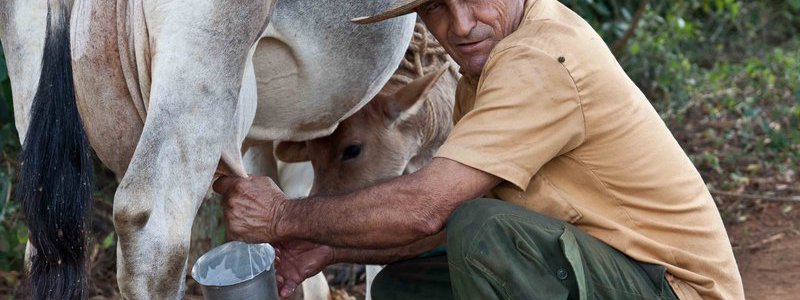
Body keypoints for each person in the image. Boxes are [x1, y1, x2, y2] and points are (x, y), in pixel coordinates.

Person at [213, 0, 745, 299]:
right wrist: (330, 250)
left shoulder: (539, 58)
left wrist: (283, 215)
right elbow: (440, 223)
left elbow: (428, 210)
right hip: (614, 270)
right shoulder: (485, 70)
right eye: (439, 8)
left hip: (676, 291)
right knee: (405, 288)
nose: (461, 24)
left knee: (482, 231)